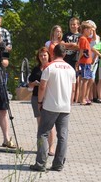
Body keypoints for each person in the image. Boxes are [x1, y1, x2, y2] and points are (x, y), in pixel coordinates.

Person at [30, 44, 76, 172]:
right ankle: (58, 164)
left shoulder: (49, 68)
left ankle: (40, 163)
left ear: (53, 53)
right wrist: (70, 104)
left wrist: (39, 102)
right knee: (63, 136)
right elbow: (73, 89)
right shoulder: (71, 69)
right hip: (65, 107)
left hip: (50, 106)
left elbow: (42, 86)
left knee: (43, 133)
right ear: (65, 54)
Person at [28, 47, 55, 155]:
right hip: (36, 97)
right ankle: (41, 147)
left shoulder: (52, 68)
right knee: (40, 123)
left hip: (48, 97)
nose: (43, 57)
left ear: (49, 55)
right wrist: (34, 83)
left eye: (45, 55)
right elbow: (29, 84)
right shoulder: (36, 69)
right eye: (41, 55)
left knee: (50, 124)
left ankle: (51, 147)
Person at [76, 21, 96, 105]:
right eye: (89, 30)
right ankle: (82, 99)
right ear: (85, 30)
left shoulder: (86, 38)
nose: (91, 32)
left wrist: (94, 30)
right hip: (84, 62)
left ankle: (84, 97)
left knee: (88, 79)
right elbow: (81, 51)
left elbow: (94, 38)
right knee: (84, 80)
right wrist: (78, 61)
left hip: (88, 62)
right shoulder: (83, 39)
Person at [62, 17, 81, 103]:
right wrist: (72, 44)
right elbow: (62, 44)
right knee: (66, 79)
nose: (72, 26)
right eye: (71, 24)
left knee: (75, 79)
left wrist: (70, 45)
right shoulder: (66, 35)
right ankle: (66, 97)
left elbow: (79, 47)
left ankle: (74, 99)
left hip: (76, 59)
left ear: (78, 25)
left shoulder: (80, 36)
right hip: (66, 59)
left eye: (74, 24)